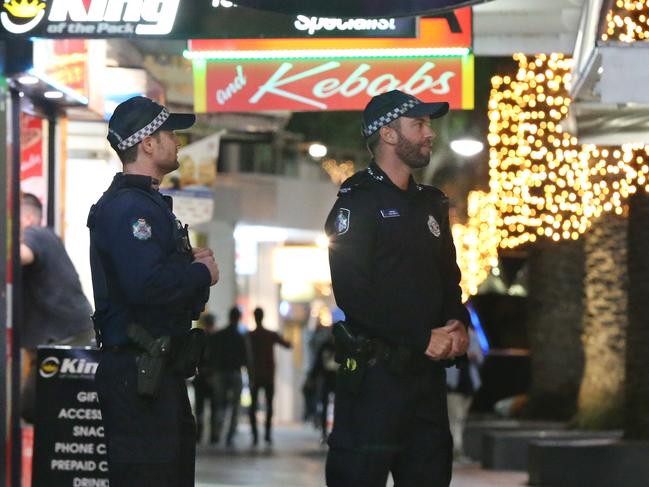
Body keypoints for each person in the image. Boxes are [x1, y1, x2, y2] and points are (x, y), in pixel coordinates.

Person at [324, 89, 470, 487]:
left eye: (427, 124)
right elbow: (353, 295)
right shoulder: (358, 203)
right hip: (375, 383)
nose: (430, 134)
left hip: (426, 384)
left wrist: (457, 323)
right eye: (419, 124)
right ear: (388, 135)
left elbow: (448, 280)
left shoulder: (431, 204)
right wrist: (419, 337)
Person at [88, 96, 220, 487]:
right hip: (138, 375)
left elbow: (166, 288)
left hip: (156, 373)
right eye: (170, 134)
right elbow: (146, 286)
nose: (178, 142)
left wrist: (192, 269)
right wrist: (198, 273)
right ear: (147, 143)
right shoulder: (132, 209)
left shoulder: (147, 204)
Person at [20, 193, 95, 422]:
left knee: (37, 409)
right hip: (67, 336)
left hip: (67, 339)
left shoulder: (36, 234)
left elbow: (20, 255)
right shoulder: (47, 238)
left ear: (29, 218)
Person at [248, 306, 292, 446]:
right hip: (268, 375)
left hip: (255, 375)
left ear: (255, 317)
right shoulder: (270, 335)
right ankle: (267, 434)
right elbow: (287, 345)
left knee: (253, 406)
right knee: (269, 405)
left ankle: (255, 435)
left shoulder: (250, 336)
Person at [212, 306, 249, 446]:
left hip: (220, 373)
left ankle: (216, 432)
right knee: (235, 406)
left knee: (220, 405)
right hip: (235, 372)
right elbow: (246, 358)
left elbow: (213, 355)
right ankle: (230, 436)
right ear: (239, 318)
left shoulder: (219, 335)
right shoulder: (241, 337)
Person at [306, 330, 338, 443]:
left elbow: (318, 364)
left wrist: (312, 377)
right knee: (331, 405)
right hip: (332, 378)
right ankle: (327, 431)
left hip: (329, 378)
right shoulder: (336, 346)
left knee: (329, 405)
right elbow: (318, 364)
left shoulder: (326, 346)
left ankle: (328, 431)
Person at [194, 313, 219, 444]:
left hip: (200, 378)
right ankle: (213, 435)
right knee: (214, 407)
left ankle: (199, 433)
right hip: (213, 378)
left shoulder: (199, 338)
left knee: (200, 408)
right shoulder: (217, 338)